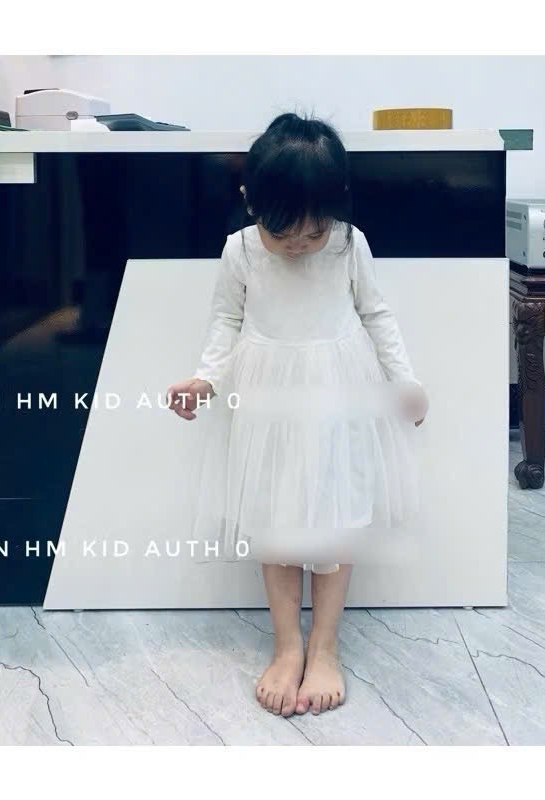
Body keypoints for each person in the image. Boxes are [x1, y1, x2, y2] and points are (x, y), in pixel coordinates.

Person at [166, 112, 428, 718]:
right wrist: (206, 379)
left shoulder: (349, 243)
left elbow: (377, 314)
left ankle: (325, 645)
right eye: (284, 234)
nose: (298, 245)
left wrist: (405, 382)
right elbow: (226, 319)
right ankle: (287, 645)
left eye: (312, 234)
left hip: (340, 392)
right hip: (268, 400)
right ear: (250, 201)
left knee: (336, 516)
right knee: (275, 518)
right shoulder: (239, 250)